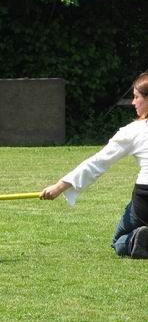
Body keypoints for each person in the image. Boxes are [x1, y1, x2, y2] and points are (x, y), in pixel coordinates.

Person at [40, 72, 148, 259]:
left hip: (145, 200)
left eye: (136, 97)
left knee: (119, 241)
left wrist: (59, 187)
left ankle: (132, 240)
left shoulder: (133, 131)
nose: (133, 102)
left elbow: (97, 163)